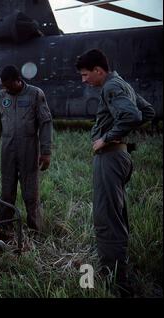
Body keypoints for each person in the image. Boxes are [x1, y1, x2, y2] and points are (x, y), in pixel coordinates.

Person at [75, 49, 155, 295]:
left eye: (86, 74)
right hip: (121, 155)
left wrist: (107, 138)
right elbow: (148, 112)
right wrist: (118, 136)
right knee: (116, 215)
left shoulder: (111, 87)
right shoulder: (122, 84)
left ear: (99, 70)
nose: (84, 80)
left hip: (110, 157)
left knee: (106, 218)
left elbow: (132, 115)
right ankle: (118, 268)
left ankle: (116, 280)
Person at [0, 65, 53, 233]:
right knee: (7, 193)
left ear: (18, 80)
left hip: (29, 150)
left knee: (30, 194)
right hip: (8, 150)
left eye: (8, 85)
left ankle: (35, 229)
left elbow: (45, 123)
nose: (5, 89)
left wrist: (46, 152)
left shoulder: (35, 94)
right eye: (3, 86)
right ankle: (5, 227)